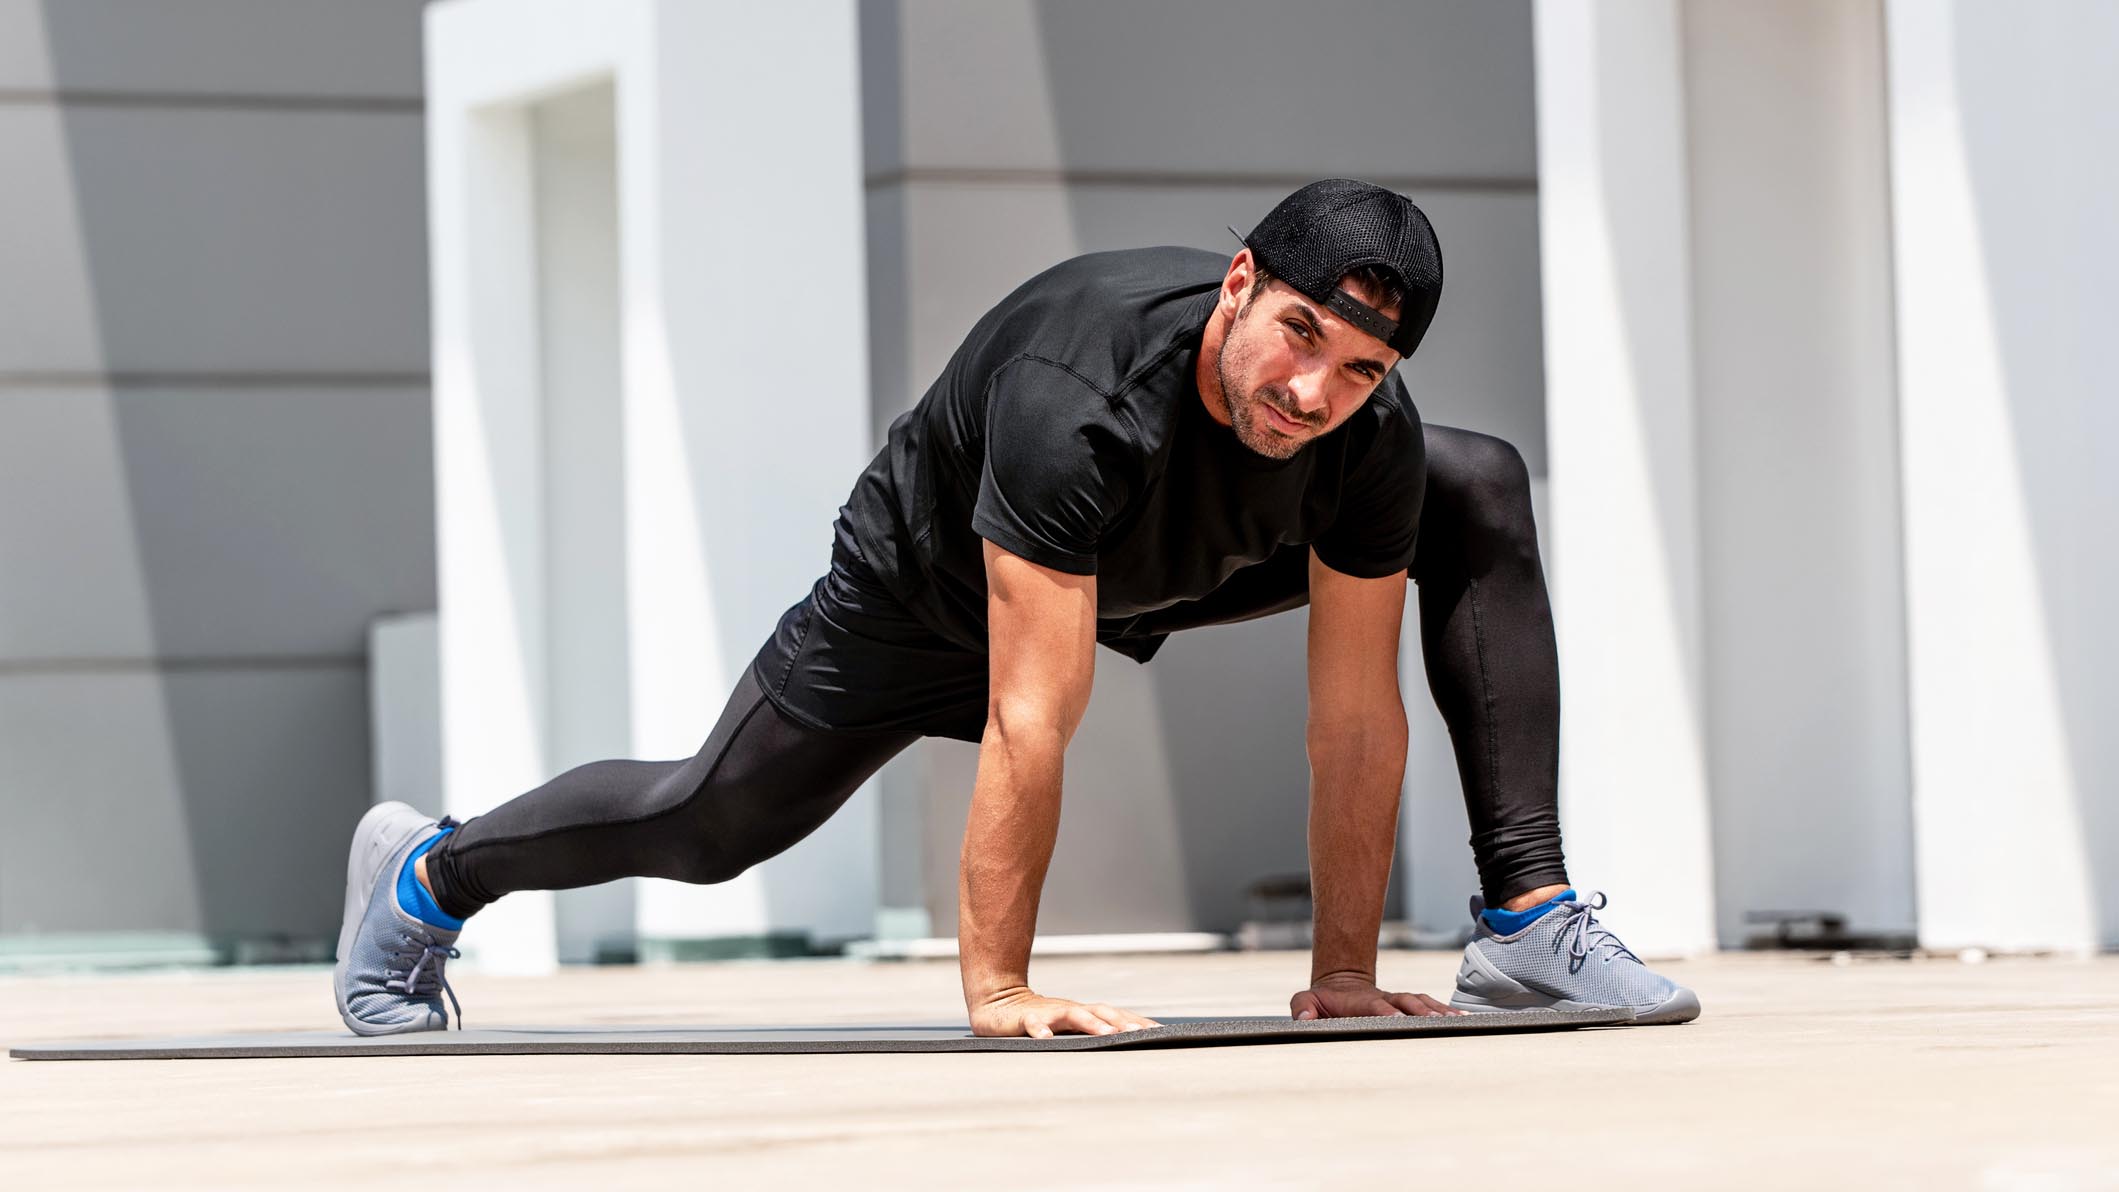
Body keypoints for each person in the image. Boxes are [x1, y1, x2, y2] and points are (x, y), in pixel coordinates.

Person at [333, 179, 1699, 1039]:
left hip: (1183, 549)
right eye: (1298, 336)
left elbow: (1351, 718)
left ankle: (1528, 928)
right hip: (928, 588)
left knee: (1475, 481)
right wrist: (1001, 988)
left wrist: (1344, 973)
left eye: (1359, 367)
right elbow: (1030, 716)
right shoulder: (1079, 394)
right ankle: (427, 878)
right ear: (1240, 286)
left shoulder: (1363, 432)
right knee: (713, 824)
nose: (1314, 391)